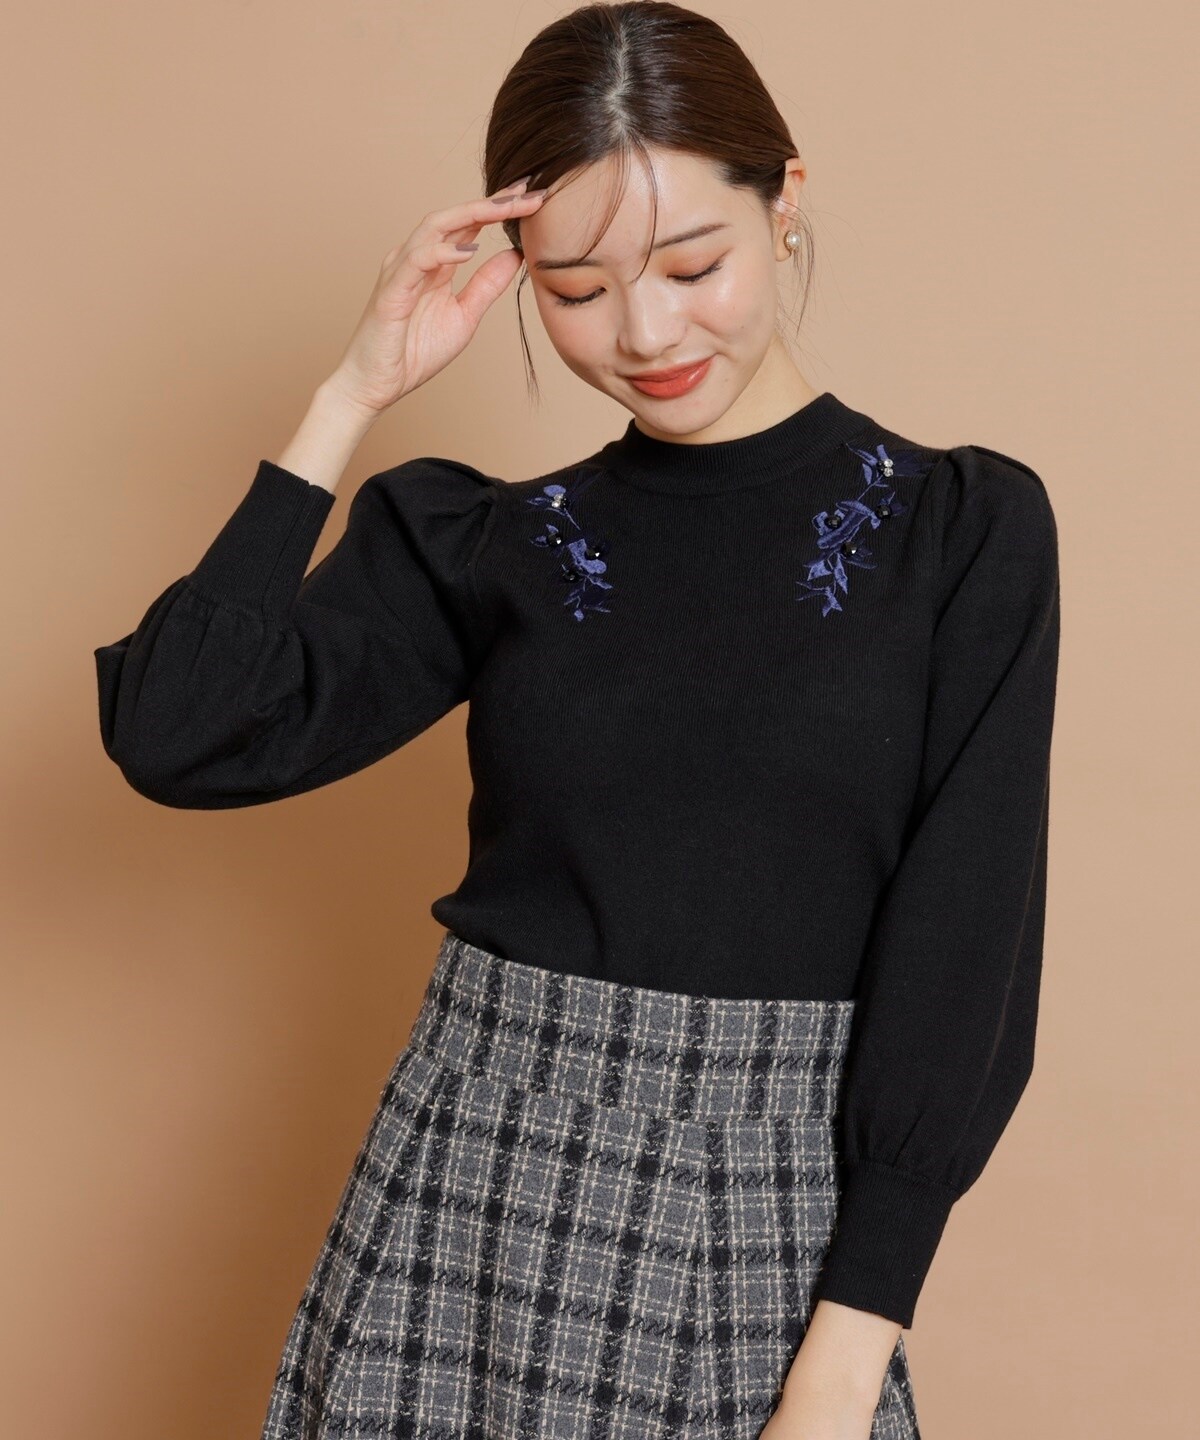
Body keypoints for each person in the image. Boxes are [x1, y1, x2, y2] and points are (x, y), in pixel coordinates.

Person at [93, 4, 1060, 1438]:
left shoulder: (961, 532)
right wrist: (353, 392)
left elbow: (967, 948)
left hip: (772, 1212)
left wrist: (851, 1349)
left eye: (693, 265)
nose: (646, 333)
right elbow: (178, 732)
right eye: (577, 288)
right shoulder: (495, 543)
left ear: (786, 199)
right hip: (467, 1193)